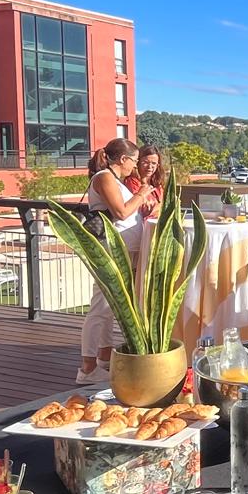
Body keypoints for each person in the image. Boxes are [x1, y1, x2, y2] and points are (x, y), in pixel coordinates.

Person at [78, 138, 160, 384]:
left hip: (123, 249)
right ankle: (87, 368)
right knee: (101, 306)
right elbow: (121, 212)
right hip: (110, 249)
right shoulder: (104, 177)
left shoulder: (114, 180)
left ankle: (103, 358)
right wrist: (141, 194)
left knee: (110, 307)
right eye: (134, 160)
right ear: (123, 159)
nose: (135, 166)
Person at [124, 144, 166, 217]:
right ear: (138, 163)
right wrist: (160, 206)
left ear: (158, 165)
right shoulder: (132, 182)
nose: (150, 167)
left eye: (154, 163)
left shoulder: (157, 184)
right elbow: (143, 209)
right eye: (145, 162)